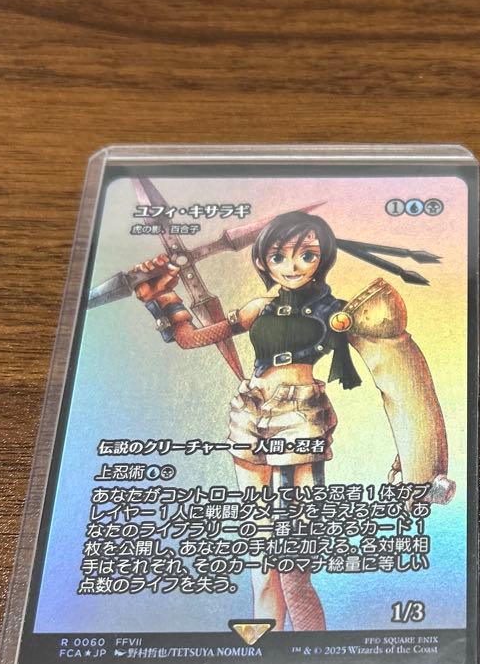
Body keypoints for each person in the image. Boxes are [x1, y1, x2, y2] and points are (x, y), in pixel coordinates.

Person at [133, 210, 451, 631]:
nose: (293, 266)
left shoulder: (336, 313)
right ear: (263, 261)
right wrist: (160, 296)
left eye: (307, 255)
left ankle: (309, 649)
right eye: (279, 256)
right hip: (249, 415)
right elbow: (191, 338)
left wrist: (422, 466)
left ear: (323, 258)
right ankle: (264, 651)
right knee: (260, 554)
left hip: (300, 420)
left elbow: (398, 376)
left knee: (294, 561)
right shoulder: (258, 308)